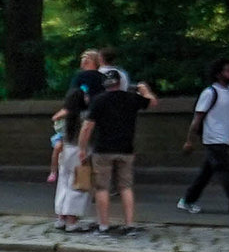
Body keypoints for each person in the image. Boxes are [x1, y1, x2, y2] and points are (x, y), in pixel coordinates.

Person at [76, 70, 156, 235]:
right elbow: (152, 102)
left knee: (102, 188)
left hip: (103, 150)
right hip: (126, 149)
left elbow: (87, 127)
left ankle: (104, 225)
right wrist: (143, 88)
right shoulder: (131, 98)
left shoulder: (98, 100)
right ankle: (129, 224)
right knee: (126, 187)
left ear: (105, 84)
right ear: (120, 82)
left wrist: (82, 148)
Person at [179, 58, 229, 214]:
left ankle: (188, 200)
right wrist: (190, 141)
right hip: (212, 139)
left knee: (206, 173)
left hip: (225, 138)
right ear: (218, 74)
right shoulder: (210, 93)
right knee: (225, 170)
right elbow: (197, 119)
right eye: (228, 70)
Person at [48, 107, 91, 233]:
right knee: (78, 185)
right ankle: (71, 221)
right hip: (79, 151)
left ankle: (61, 218)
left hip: (65, 149)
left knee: (63, 183)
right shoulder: (85, 114)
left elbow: (55, 119)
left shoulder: (66, 113)